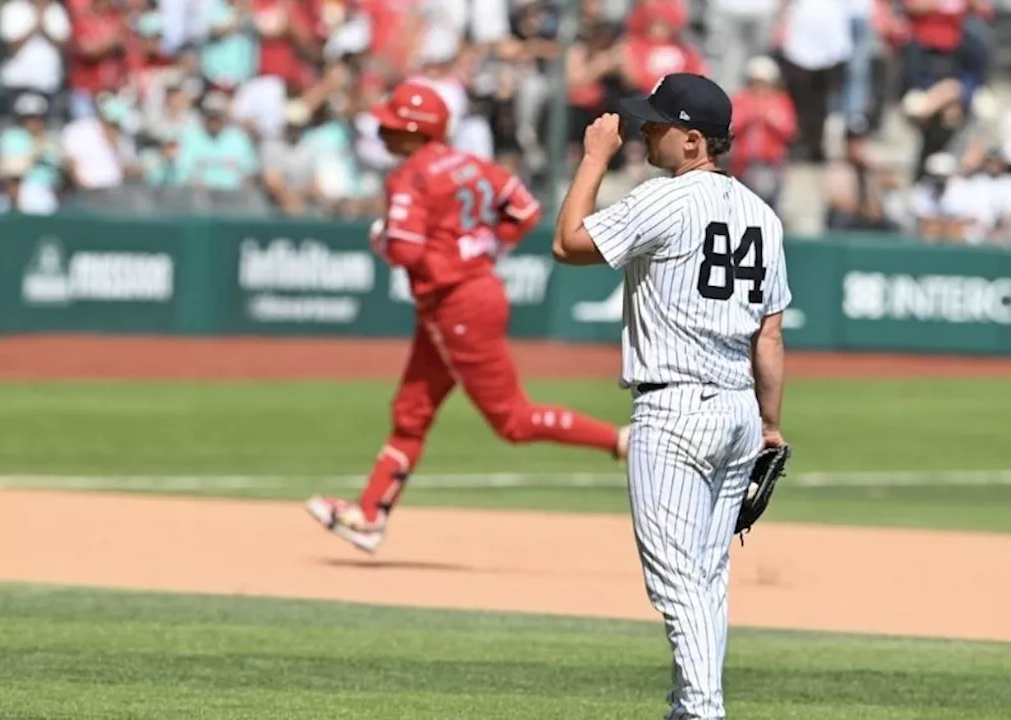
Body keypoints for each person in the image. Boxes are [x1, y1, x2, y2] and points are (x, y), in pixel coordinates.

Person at [550, 72, 790, 720]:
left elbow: (567, 242)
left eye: (656, 124)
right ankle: (689, 710)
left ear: (693, 141)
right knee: (707, 581)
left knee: (676, 582)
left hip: (675, 409)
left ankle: (704, 712)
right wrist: (770, 424)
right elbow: (769, 333)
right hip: (738, 409)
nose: (643, 131)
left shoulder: (669, 199)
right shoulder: (763, 217)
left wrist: (593, 160)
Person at [306, 80, 629, 553]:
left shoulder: (412, 175)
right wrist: (486, 246)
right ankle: (370, 515)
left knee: (513, 420)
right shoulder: (474, 164)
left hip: (454, 303)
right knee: (411, 414)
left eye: (393, 125)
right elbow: (525, 208)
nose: (384, 131)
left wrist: (382, 238)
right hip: (470, 295)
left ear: (415, 131)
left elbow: (404, 249)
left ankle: (621, 441)